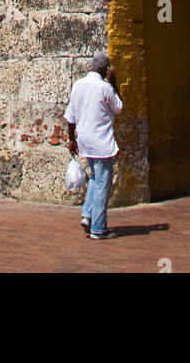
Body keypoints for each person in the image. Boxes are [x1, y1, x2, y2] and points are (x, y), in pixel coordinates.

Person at [64, 50, 123, 240]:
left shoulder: (78, 85)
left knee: (96, 178)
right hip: (102, 143)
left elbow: (70, 117)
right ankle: (98, 228)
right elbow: (119, 107)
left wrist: (72, 138)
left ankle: (87, 214)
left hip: (85, 141)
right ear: (106, 69)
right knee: (103, 184)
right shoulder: (105, 88)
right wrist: (113, 84)